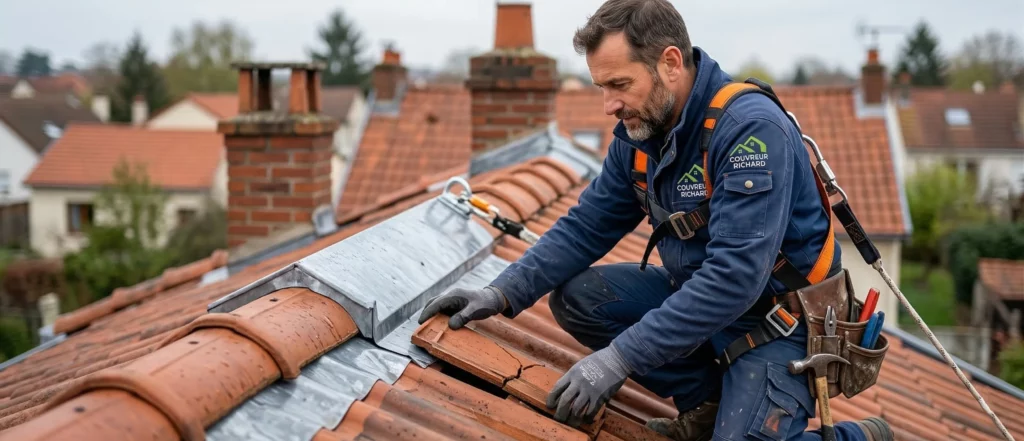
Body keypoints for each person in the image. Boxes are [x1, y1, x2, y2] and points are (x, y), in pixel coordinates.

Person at [419, 1, 893, 440]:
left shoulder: (749, 131)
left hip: (779, 325)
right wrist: (501, 291)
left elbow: (736, 278)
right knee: (581, 298)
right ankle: (706, 401)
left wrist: (620, 358)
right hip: (702, 311)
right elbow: (587, 226)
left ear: (670, 63)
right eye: (601, 87)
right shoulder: (641, 134)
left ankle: (854, 436)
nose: (609, 104)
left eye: (620, 85)